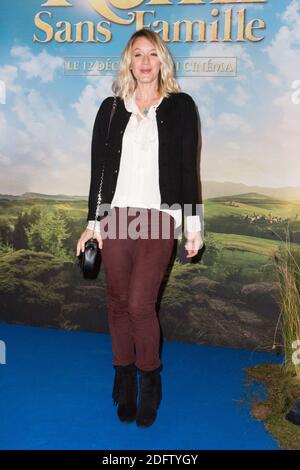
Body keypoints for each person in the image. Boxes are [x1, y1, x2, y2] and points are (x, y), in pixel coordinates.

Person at [76, 28, 204, 428]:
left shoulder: (181, 107)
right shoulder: (111, 109)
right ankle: (123, 376)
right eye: (137, 54)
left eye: (152, 54)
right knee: (116, 303)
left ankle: (150, 380)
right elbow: (99, 173)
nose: (145, 62)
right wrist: (92, 223)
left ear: (162, 61)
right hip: (117, 218)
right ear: (128, 62)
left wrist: (193, 226)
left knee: (138, 305)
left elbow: (188, 170)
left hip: (158, 217)